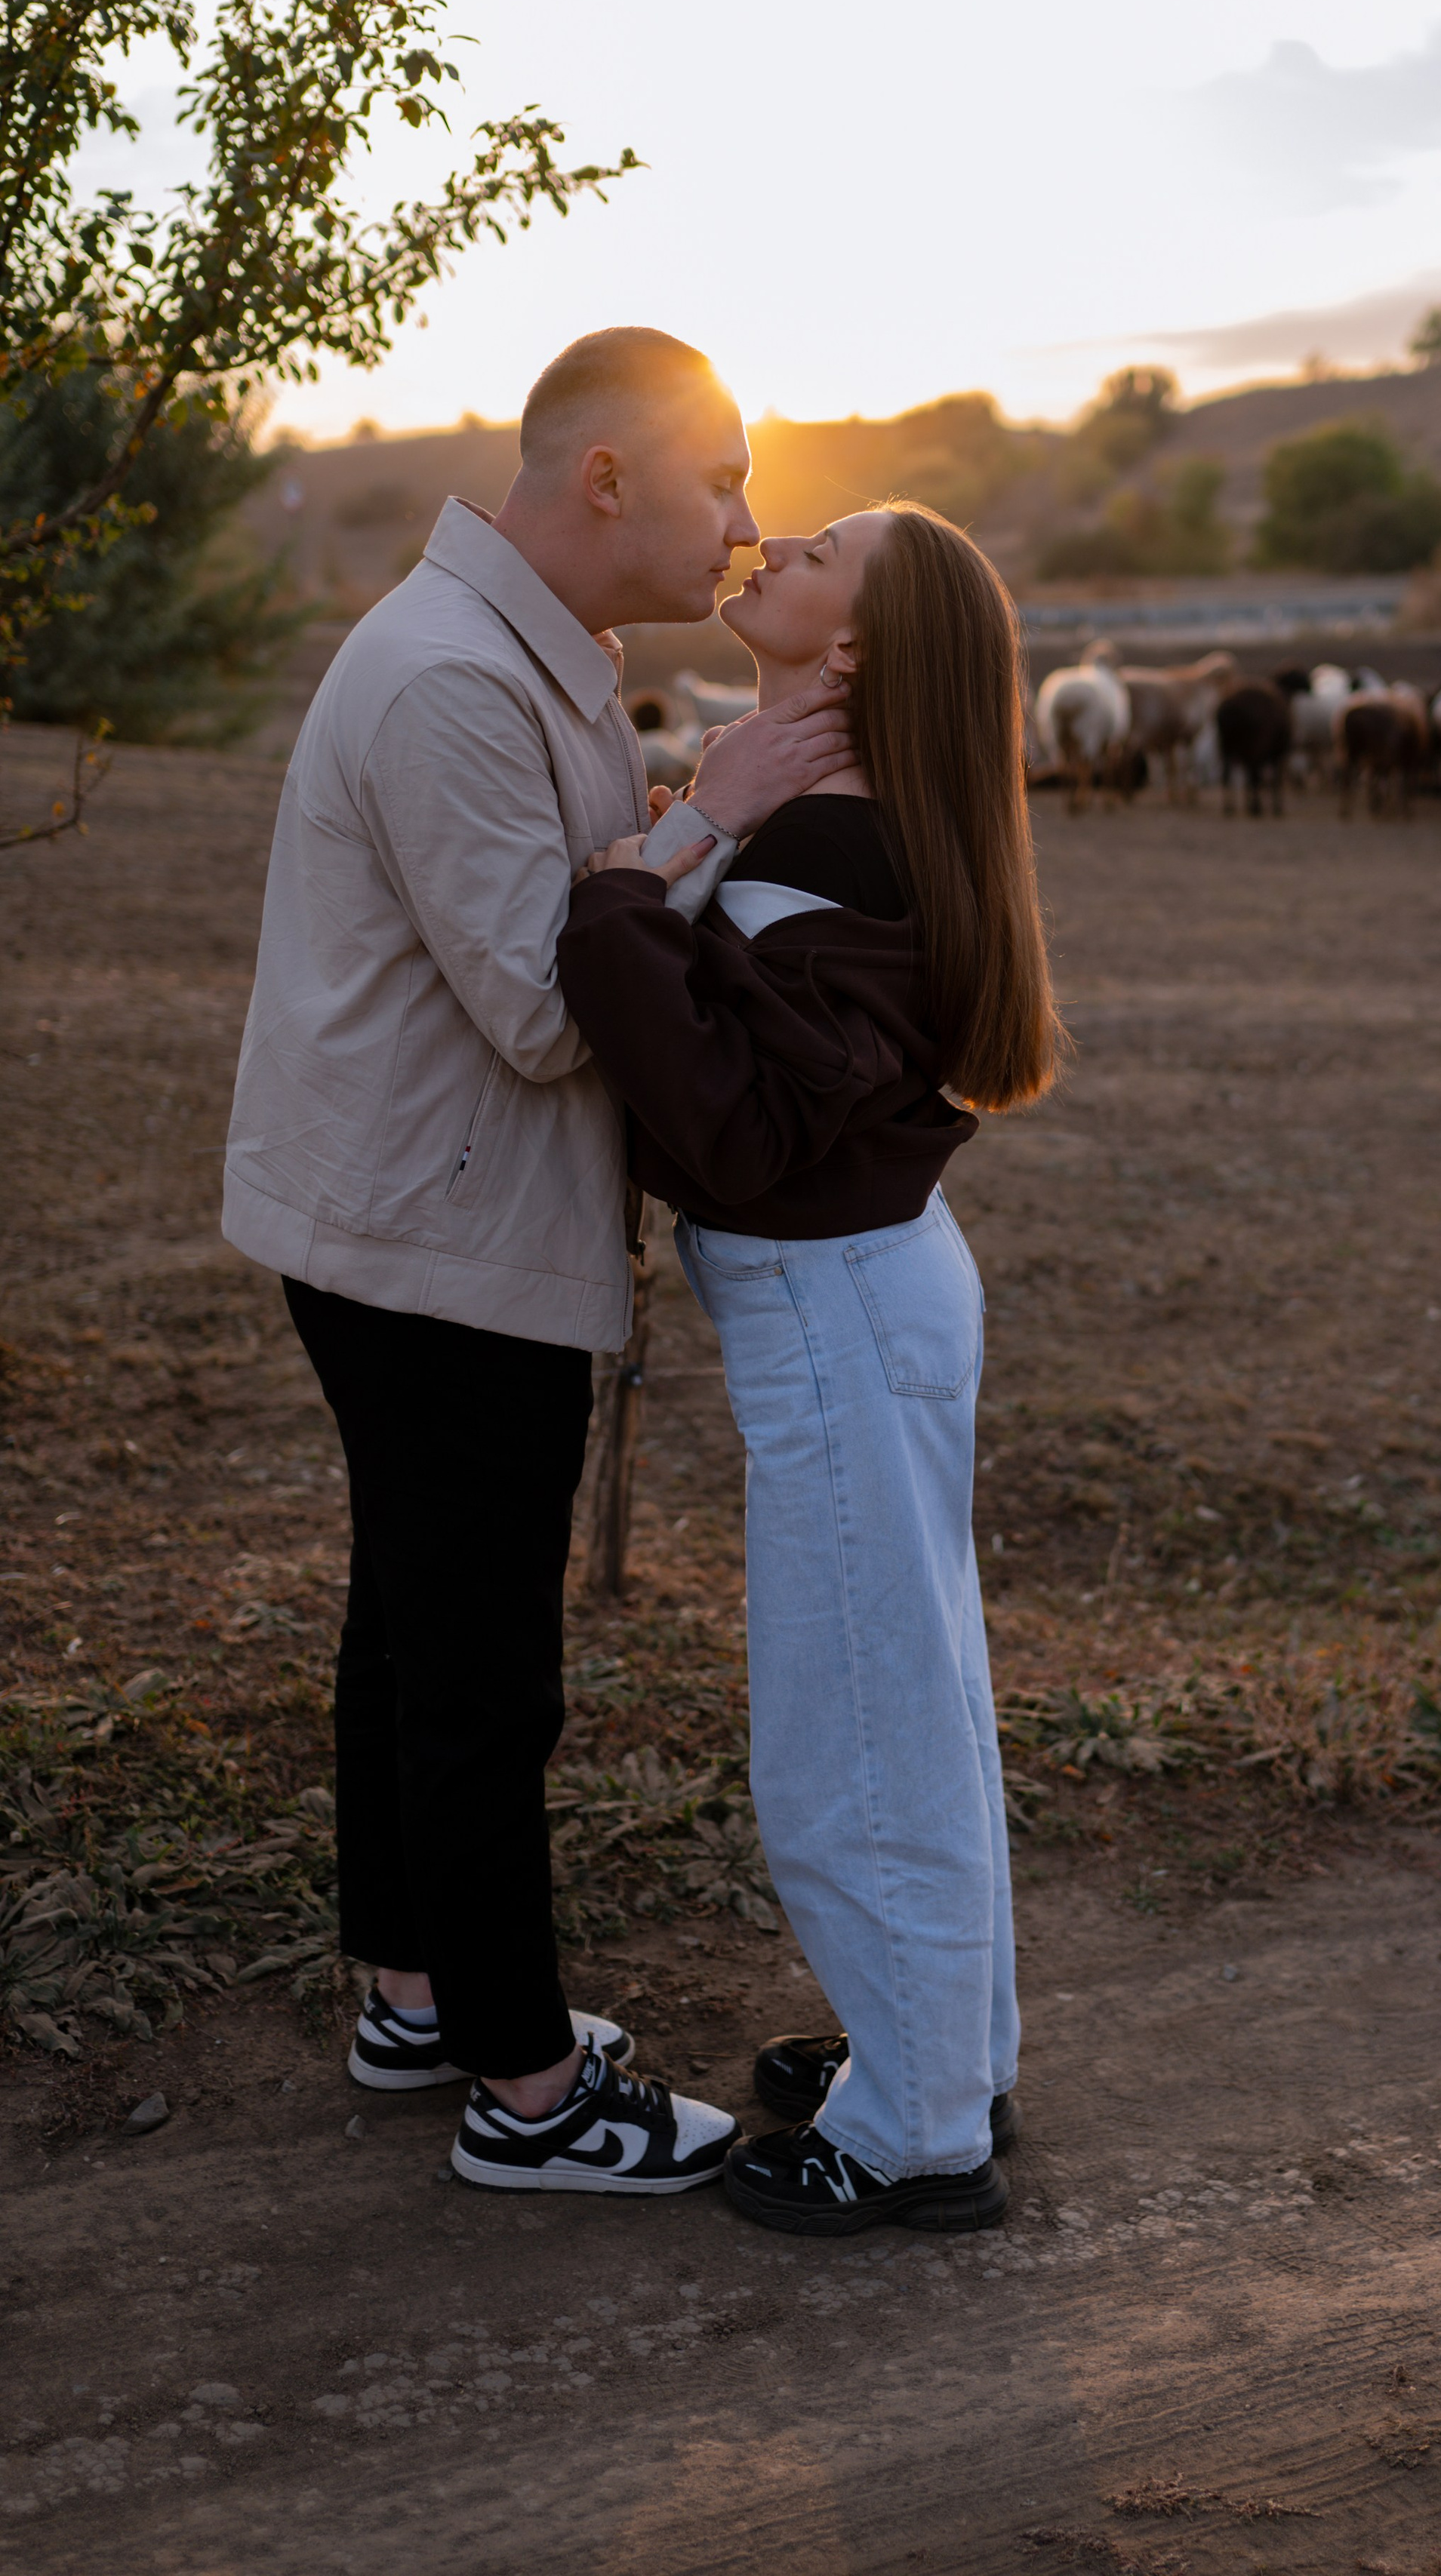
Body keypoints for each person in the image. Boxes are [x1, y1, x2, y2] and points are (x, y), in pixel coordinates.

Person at [222, 328, 854, 2196]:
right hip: (433, 1237)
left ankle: (420, 1991)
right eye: (722, 477)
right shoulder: (440, 678)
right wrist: (715, 808)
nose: (742, 523)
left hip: (419, 1212)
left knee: (407, 1628)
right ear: (605, 479)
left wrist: (672, 820)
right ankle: (522, 2088)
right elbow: (539, 1000)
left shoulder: (529, 648)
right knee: (481, 1667)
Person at [556, 500, 1062, 2236]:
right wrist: (712, 806)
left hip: (834, 1297)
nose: (768, 547)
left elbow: (731, 1122)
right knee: (911, 1690)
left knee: (854, 1722)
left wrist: (637, 875)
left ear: (852, 648)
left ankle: (917, 2127)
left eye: (817, 550)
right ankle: (945, 2048)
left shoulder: (835, 839)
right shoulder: (838, 812)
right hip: (867, 1289)